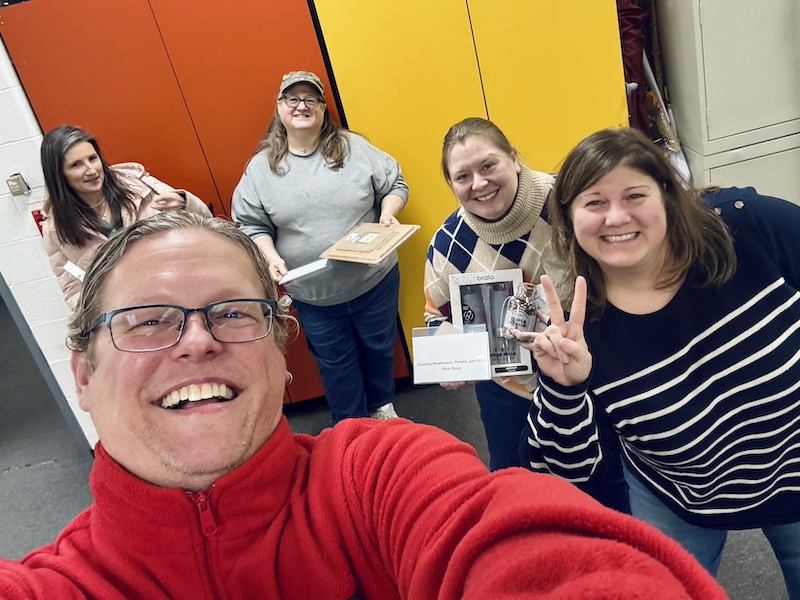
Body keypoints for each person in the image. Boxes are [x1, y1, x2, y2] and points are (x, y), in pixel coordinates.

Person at [0, 210, 727, 599]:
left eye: (232, 313)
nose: (196, 342)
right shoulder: (55, 587)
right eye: (149, 318)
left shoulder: (378, 473)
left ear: (280, 360)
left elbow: (524, 548)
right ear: (83, 376)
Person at [518, 126, 800, 597]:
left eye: (634, 194)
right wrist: (564, 389)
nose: (616, 217)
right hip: (676, 493)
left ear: (667, 195)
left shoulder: (745, 228)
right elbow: (563, 470)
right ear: (568, 219)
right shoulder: (578, 327)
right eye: (593, 202)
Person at [232, 71, 408, 423]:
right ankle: (352, 430)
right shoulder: (261, 168)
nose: (302, 106)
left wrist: (388, 214)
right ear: (279, 108)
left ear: (323, 109)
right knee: (336, 364)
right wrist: (271, 258)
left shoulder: (353, 148)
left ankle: (383, 410)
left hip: (374, 281)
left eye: (310, 99)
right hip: (314, 295)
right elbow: (250, 224)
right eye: (293, 99)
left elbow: (395, 184)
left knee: (378, 350)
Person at [423, 117, 568, 471]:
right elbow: (434, 315)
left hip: (586, 373)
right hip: (507, 388)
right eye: (463, 176)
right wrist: (447, 350)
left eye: (488, 165)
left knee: (601, 488)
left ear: (514, 158)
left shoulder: (569, 205)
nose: (480, 183)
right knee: (515, 481)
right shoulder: (447, 245)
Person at [40, 125, 211, 309]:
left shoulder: (137, 184)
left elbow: (207, 225)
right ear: (59, 175)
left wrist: (185, 202)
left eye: (92, 158)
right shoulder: (56, 231)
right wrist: (108, 307)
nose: (91, 170)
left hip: (186, 287)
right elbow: (74, 288)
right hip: (138, 312)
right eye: (76, 165)